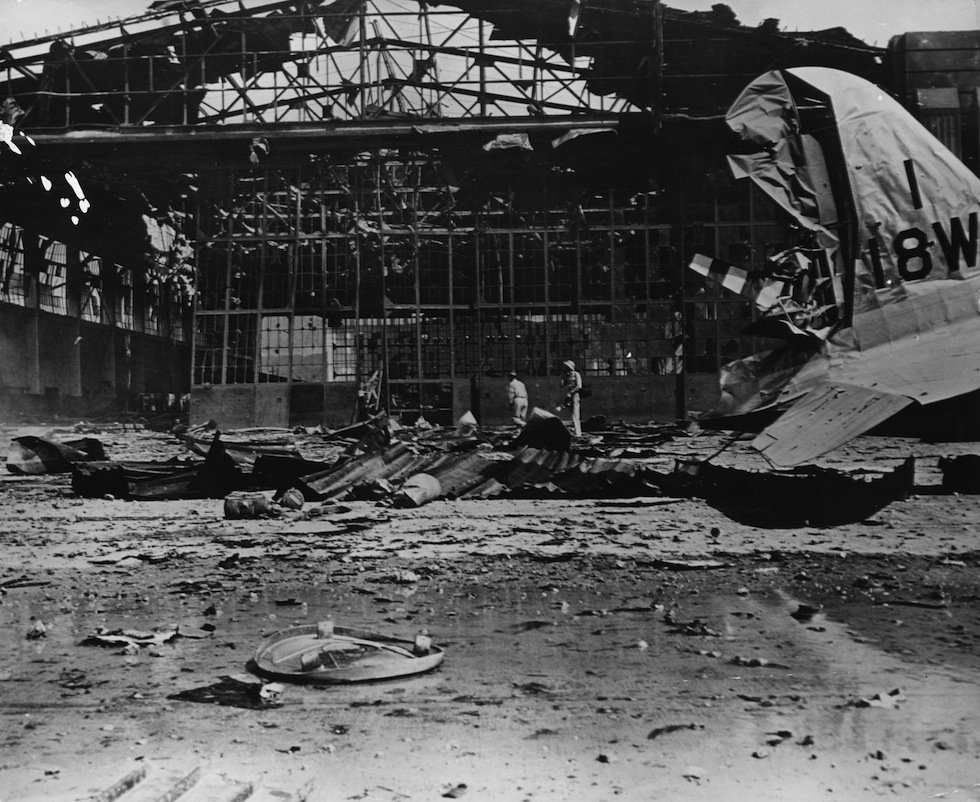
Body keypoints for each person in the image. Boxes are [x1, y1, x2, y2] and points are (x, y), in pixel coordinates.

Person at [558, 359, 583, 436]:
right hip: (568, 396)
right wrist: (562, 377)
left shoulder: (576, 374)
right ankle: (575, 431)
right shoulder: (567, 375)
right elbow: (562, 385)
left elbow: (579, 386)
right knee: (571, 413)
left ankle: (578, 433)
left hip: (575, 395)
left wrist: (571, 392)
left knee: (575, 414)